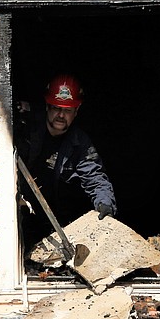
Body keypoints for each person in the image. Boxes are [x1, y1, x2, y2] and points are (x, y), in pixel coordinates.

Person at [15, 73, 117, 248]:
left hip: (55, 221)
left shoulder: (80, 144)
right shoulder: (24, 128)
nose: (61, 115)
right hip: (19, 215)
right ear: (47, 106)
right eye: (56, 108)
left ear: (76, 112)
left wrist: (105, 203)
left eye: (68, 110)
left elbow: (95, 177)